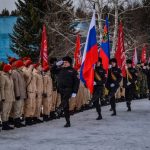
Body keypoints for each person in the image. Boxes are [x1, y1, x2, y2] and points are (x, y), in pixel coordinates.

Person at [53, 56, 79, 127]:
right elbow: (52, 70)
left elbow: (77, 82)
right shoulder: (60, 69)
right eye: (63, 62)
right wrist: (56, 64)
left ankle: (59, 108)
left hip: (69, 89)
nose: (64, 63)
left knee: (65, 99)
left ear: (69, 63)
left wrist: (75, 92)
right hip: (61, 89)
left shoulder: (73, 71)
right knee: (66, 106)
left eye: (66, 62)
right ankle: (68, 122)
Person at [11, 60, 27, 128]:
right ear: (19, 66)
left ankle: (18, 121)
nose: (23, 66)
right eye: (22, 65)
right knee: (17, 108)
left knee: (20, 108)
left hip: (22, 93)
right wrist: (17, 94)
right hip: (19, 94)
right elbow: (16, 84)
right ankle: (16, 122)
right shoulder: (15, 72)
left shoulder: (21, 72)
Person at [1, 64, 15, 130]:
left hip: (10, 96)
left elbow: (12, 88)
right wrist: (3, 97)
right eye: (10, 69)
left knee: (8, 110)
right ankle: (4, 124)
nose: (11, 70)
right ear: (7, 70)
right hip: (6, 96)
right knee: (5, 110)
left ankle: (6, 123)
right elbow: (2, 88)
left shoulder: (10, 76)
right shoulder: (3, 77)